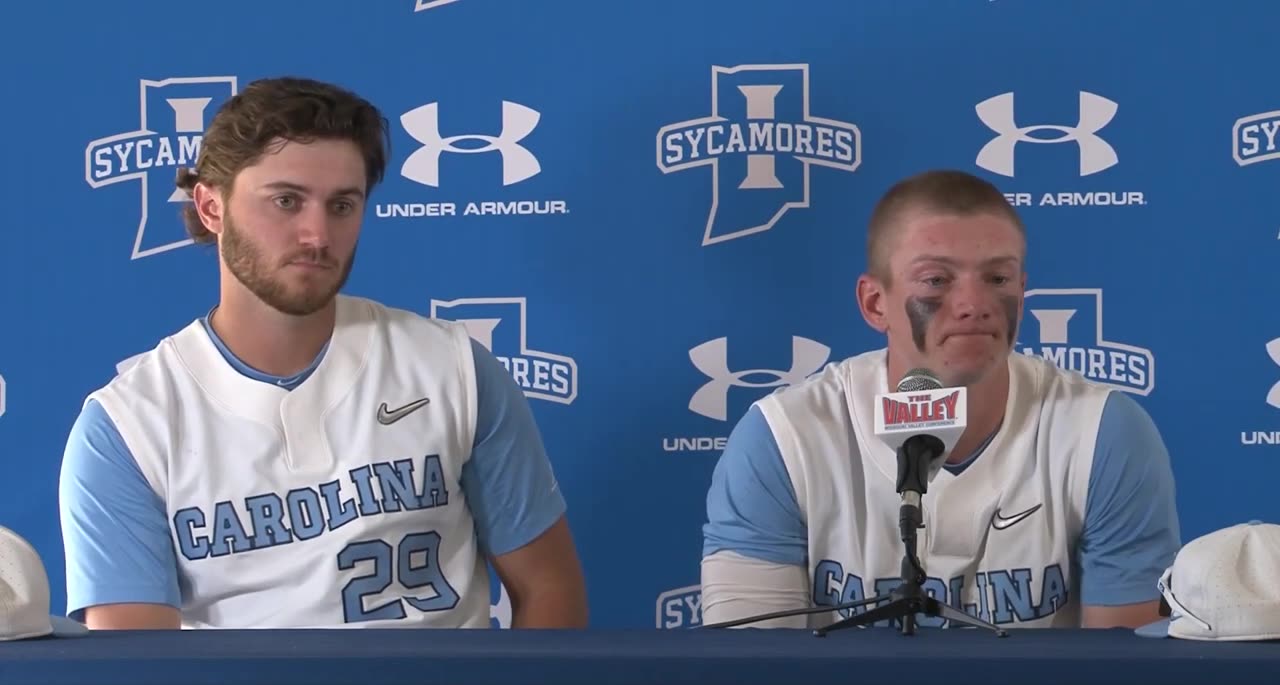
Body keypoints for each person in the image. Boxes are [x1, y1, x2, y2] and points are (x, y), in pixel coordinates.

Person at [57, 76, 588, 631]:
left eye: (342, 205)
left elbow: (550, 588)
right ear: (212, 207)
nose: (317, 233)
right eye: (286, 201)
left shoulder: (452, 369)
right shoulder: (127, 427)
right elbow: (139, 677)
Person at [699, 169, 1180, 630]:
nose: (974, 303)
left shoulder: (1102, 432)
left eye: (997, 279)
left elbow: (1125, 680)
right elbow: (753, 678)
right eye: (936, 280)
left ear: (1023, 291)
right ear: (875, 304)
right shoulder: (785, 438)